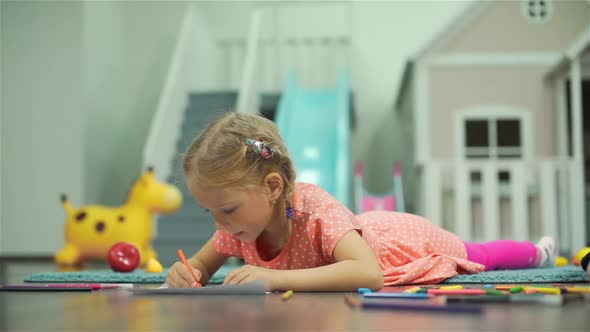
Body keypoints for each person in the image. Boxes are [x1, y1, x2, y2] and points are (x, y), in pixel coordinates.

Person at [166, 112, 557, 291]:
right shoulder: (237, 227)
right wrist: (186, 273)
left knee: (478, 255)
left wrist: (274, 277)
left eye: (227, 209)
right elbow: (200, 266)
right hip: (365, 237)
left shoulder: (314, 209)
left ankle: (537, 254)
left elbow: (368, 273)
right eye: (210, 211)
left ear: (271, 186)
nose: (218, 223)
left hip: (398, 241)